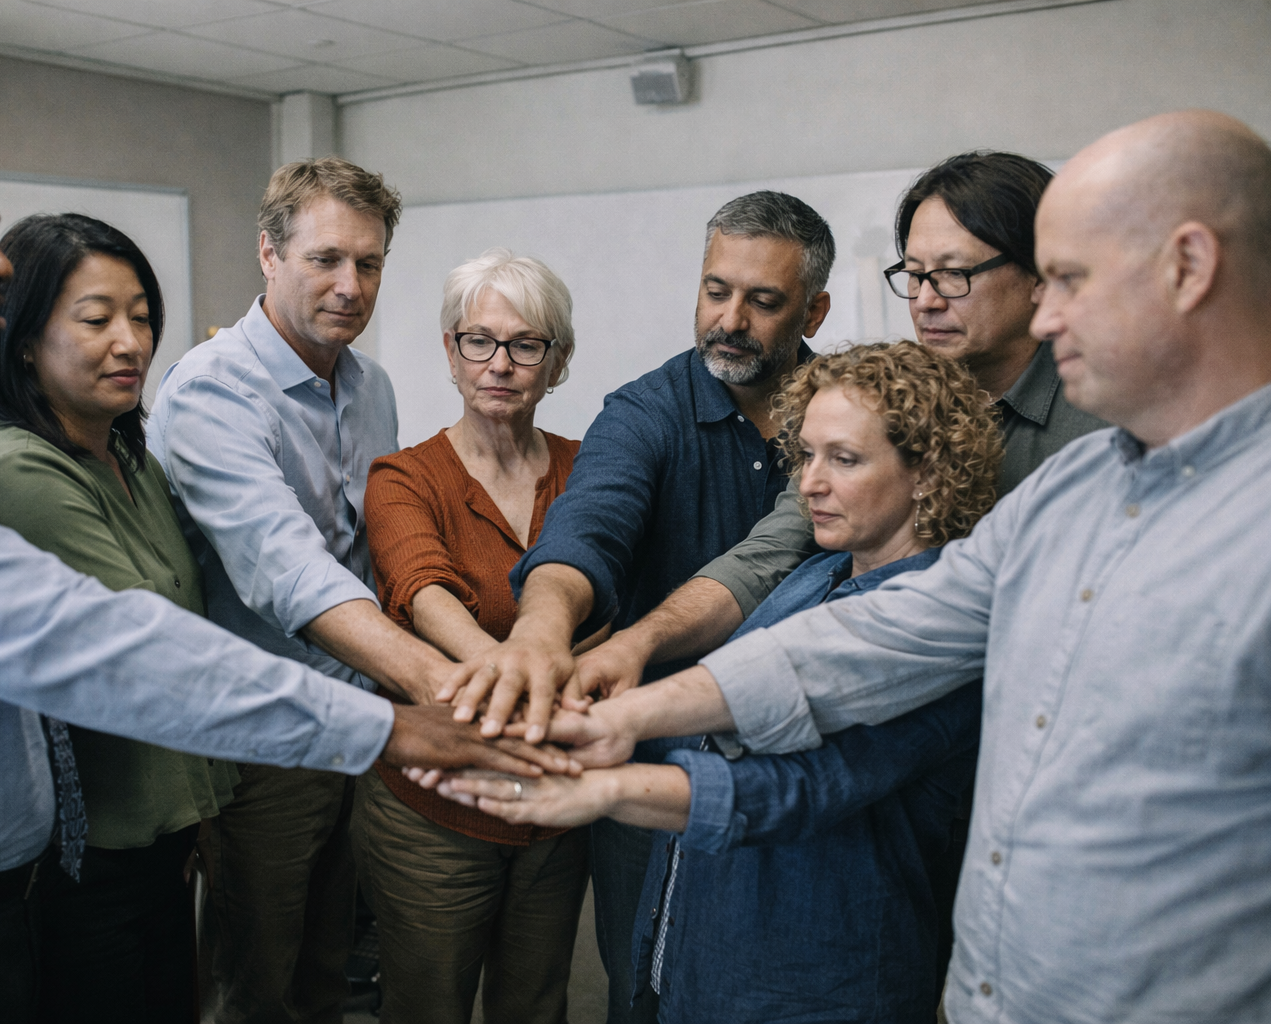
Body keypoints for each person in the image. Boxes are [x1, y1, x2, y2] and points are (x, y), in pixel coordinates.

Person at [0, 115, 567, 1024]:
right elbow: (94, 639)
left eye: (368, 263)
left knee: (308, 972)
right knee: (253, 983)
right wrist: (401, 722)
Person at [505, 111, 1271, 1024]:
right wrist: (625, 702)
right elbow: (874, 632)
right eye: (916, 274)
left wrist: (618, 755)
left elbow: (831, 762)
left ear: (1188, 266)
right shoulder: (1078, 489)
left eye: (1069, 279)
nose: (1049, 313)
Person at [436, 340, 1001, 1022]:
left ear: (929, 474)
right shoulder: (815, 574)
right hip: (705, 954)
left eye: (844, 460)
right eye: (808, 454)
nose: (810, 484)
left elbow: (796, 791)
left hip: (816, 983)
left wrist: (597, 786)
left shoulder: (942, 632)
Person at [434, 192, 832, 1023]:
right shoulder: (646, 412)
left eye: (762, 301)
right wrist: (544, 630)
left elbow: (771, 562)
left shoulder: (843, 416)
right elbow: (588, 530)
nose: (730, 318)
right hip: (651, 760)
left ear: (813, 309)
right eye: (715, 289)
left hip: (803, 757)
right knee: (645, 986)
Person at [561, 151, 1108, 739]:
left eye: (952, 275)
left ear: (1039, 275)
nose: (924, 300)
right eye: (915, 275)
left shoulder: (1108, 422)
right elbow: (768, 556)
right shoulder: (894, 403)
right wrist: (637, 644)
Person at [148, 157, 480, 1024]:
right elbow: (288, 570)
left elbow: (373, 549)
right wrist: (443, 684)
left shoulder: (370, 387)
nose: (350, 285)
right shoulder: (213, 391)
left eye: (368, 264)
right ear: (268, 253)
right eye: (325, 259)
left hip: (359, 716)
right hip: (259, 735)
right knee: (255, 976)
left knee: (330, 965)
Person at [0, 212, 238, 1023]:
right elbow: (152, 645)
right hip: (81, 864)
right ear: (25, 336)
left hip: (157, 848)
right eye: (97, 318)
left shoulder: (125, 454)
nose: (131, 342)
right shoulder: (14, 468)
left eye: (142, 316)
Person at [356, 249, 589, 1024]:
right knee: (429, 1006)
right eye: (477, 341)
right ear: (450, 353)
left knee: (536, 1004)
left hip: (554, 797)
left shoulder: (588, 471)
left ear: (556, 363)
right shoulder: (404, 477)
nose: (500, 364)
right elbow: (424, 591)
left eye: (526, 344)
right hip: (435, 805)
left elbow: (612, 600)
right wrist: (519, 667)